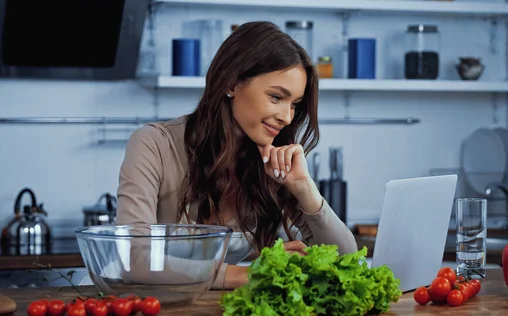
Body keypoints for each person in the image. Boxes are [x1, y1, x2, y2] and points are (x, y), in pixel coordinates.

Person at [115, 21, 357, 290]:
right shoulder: (154, 144)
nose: (287, 117)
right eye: (277, 97)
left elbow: (346, 259)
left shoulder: (273, 163)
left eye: (295, 104)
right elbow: (134, 259)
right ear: (231, 83)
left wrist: (305, 189)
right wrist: (246, 274)